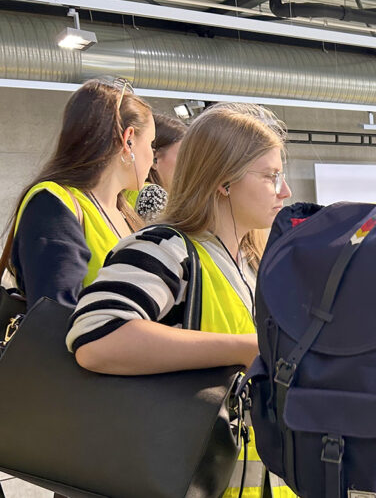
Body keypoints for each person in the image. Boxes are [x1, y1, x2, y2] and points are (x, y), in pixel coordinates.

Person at [66, 103, 295, 498]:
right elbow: (96, 337)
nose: (285, 191)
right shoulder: (165, 247)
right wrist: (246, 348)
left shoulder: (251, 263)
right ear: (224, 181)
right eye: (271, 176)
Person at [0, 78, 153, 309]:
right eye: (151, 143)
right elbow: (56, 314)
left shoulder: (122, 211)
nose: (152, 156)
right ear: (128, 140)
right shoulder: (53, 205)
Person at [123, 113, 187, 221]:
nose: (188, 164)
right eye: (183, 156)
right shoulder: (153, 195)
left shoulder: (129, 190)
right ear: (154, 159)